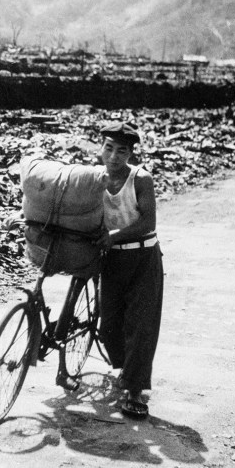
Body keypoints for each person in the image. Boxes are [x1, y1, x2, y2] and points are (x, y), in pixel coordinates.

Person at [93, 121, 164, 420]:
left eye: (121, 151)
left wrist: (113, 237)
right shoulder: (93, 178)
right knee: (108, 323)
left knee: (140, 323)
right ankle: (126, 372)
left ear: (131, 154)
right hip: (112, 260)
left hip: (143, 257)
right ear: (101, 148)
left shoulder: (140, 179)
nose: (113, 156)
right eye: (108, 148)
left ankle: (135, 391)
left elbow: (148, 223)